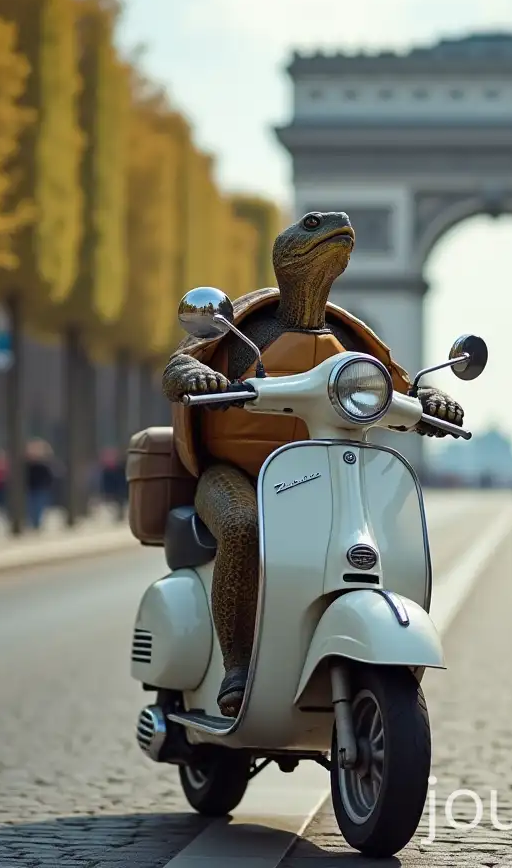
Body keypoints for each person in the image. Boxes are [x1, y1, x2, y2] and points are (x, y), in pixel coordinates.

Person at [161, 211, 466, 718]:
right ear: (282, 252)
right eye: (310, 224)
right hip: (235, 474)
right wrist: (195, 374)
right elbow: (181, 362)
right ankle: (238, 664)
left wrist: (432, 401)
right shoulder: (245, 329)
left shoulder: (349, 341)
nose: (337, 225)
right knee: (241, 525)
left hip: (318, 478)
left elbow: (402, 387)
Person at [24, 439, 56, 530]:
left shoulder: (44, 465)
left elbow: (49, 477)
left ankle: (36, 523)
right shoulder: (28, 465)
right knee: (31, 506)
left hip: (41, 489)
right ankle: (34, 522)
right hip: (32, 489)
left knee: (38, 506)